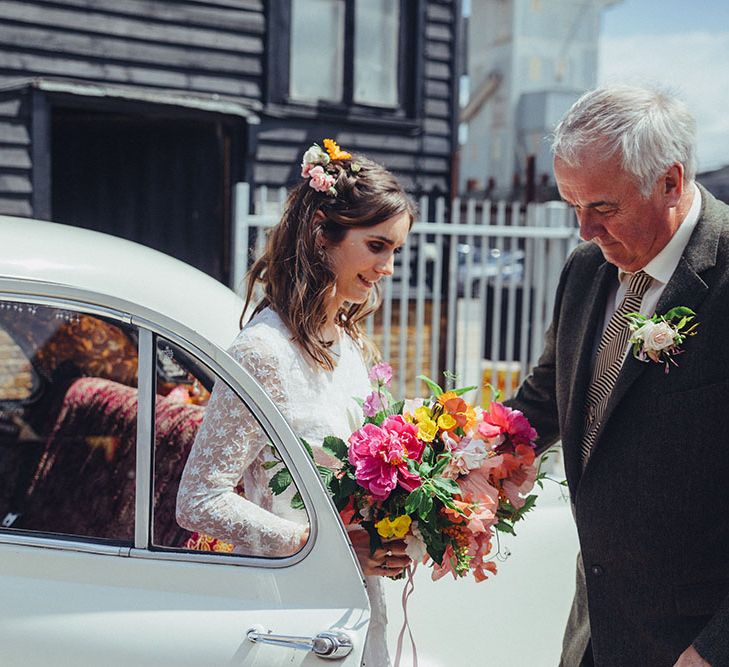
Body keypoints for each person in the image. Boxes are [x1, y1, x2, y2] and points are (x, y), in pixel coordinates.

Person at [507, 85, 729, 666]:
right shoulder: (587, 268)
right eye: (571, 206)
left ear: (671, 182)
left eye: (603, 208)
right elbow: (548, 397)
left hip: (697, 642)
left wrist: (715, 647)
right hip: (595, 631)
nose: (584, 230)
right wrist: (467, 454)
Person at [176, 138, 415, 666]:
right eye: (377, 246)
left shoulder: (352, 344)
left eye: (395, 250)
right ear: (322, 233)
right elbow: (198, 498)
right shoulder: (263, 351)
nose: (388, 268)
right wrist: (321, 542)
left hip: (354, 608)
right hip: (289, 619)